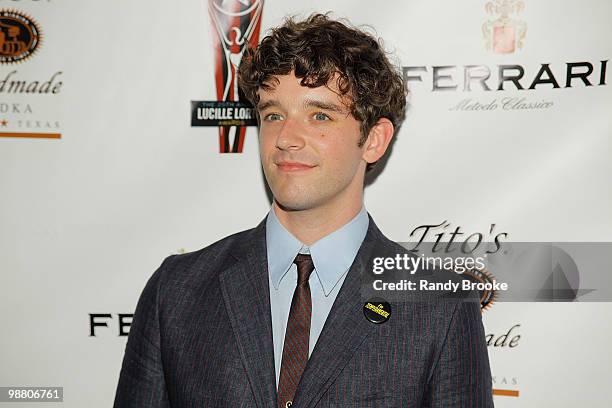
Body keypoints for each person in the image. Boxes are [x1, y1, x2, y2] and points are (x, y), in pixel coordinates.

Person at [114, 13, 494, 408]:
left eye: (320, 116)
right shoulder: (177, 291)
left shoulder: (441, 305)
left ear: (374, 140)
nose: (286, 138)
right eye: (273, 114)